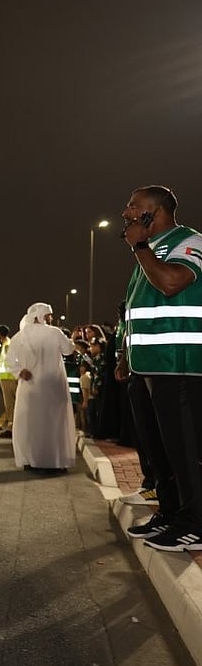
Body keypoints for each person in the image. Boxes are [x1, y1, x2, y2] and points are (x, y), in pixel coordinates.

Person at [116, 185, 202, 552]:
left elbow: (171, 282)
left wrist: (139, 247)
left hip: (178, 364)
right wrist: (125, 356)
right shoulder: (150, 251)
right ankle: (171, 512)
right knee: (159, 448)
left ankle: (195, 522)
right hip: (148, 367)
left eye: (133, 206)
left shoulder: (189, 241)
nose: (126, 213)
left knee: (184, 448)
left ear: (156, 210)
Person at [6, 303, 76, 472]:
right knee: (54, 424)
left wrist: (19, 371)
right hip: (53, 386)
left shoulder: (20, 336)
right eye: (48, 315)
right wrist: (72, 339)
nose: (51, 318)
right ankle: (54, 461)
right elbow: (68, 350)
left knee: (30, 424)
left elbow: (9, 361)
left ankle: (32, 459)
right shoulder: (54, 332)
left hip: (30, 387)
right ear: (40, 316)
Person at [0, 325, 17, 437]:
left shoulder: (7, 345)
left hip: (8, 378)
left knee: (10, 404)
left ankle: (11, 428)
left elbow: (12, 362)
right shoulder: (7, 344)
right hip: (8, 377)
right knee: (11, 403)